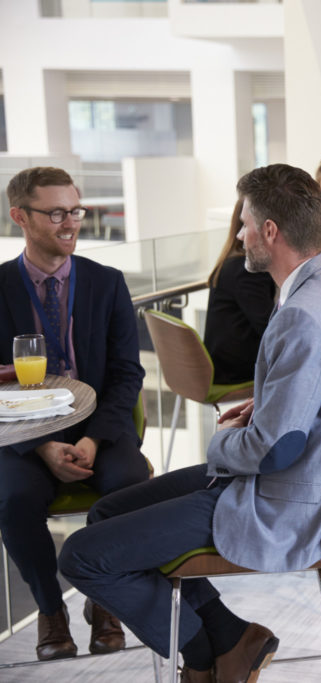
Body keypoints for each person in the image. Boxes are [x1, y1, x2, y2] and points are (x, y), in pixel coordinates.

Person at [58, 163, 321, 683]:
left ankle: (202, 655)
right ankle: (233, 638)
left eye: (244, 224)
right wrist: (279, 402)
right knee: (105, 513)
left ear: (270, 232)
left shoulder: (303, 314)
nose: (238, 235)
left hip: (279, 499)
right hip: (290, 482)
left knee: (81, 556)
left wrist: (224, 441)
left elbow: (277, 449)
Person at [0, 166, 148, 661]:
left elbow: (128, 374)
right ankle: (50, 608)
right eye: (56, 212)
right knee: (12, 497)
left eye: (76, 210)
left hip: (98, 430)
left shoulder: (108, 284)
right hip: (23, 434)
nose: (70, 223)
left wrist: (92, 440)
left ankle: (104, 598)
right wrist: (41, 444)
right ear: (20, 216)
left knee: (129, 482)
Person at [203, 198, 276, 385]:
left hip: (219, 363)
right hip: (235, 371)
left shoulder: (232, 261)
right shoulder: (247, 270)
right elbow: (270, 328)